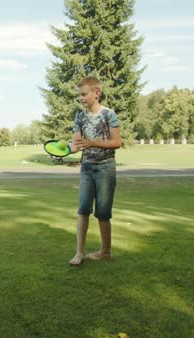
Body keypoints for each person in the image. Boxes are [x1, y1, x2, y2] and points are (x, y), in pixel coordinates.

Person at [69, 76, 122, 265]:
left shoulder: (109, 114)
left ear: (96, 93)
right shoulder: (79, 116)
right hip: (87, 168)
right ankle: (79, 253)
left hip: (106, 168)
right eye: (79, 96)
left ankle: (105, 252)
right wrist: (64, 149)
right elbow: (76, 145)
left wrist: (92, 142)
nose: (81, 98)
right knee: (83, 209)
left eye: (84, 94)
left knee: (103, 212)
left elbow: (117, 142)